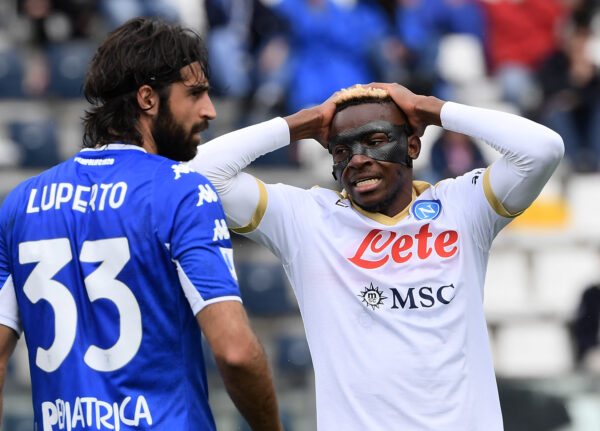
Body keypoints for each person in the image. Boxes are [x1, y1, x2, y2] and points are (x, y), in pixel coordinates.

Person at [189, 83, 564, 430]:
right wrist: (301, 123)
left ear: (412, 146)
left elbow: (543, 149)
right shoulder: (306, 220)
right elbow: (193, 174)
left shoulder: (463, 207)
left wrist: (430, 109)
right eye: (341, 150)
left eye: (375, 141)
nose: (357, 160)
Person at [0, 17, 282, 431]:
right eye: (196, 93)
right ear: (147, 98)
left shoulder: (21, 203)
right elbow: (235, 352)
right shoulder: (182, 191)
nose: (210, 110)